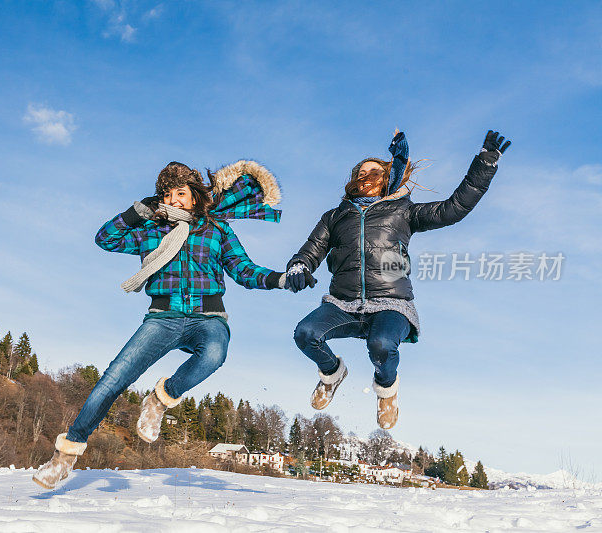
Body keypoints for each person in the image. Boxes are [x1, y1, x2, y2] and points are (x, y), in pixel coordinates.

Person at [33, 160, 286, 489]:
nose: (174, 200)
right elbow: (105, 239)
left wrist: (279, 279)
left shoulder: (216, 229)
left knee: (213, 354)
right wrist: (136, 212)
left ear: (194, 196)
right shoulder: (149, 229)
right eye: (167, 195)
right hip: (162, 317)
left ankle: (162, 397)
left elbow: (244, 270)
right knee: (112, 380)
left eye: (180, 193)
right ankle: (64, 457)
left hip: (207, 317)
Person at [285, 130, 511, 429]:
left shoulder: (404, 211)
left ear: (387, 177)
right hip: (343, 303)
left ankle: (386, 391)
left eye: (374, 171)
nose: (366, 176)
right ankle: (332, 374)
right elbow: (311, 250)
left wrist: (484, 164)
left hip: (392, 302)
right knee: (305, 333)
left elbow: (454, 208)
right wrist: (299, 266)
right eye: (360, 172)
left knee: (381, 344)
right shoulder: (334, 216)